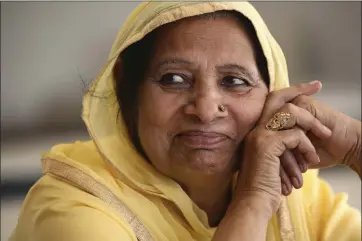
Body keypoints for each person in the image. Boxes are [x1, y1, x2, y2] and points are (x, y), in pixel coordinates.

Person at [10, 2, 361, 241]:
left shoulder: (298, 198)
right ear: (128, 93)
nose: (206, 110)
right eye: (173, 80)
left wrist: (356, 146)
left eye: (234, 81)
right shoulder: (71, 208)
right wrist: (254, 200)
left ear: (272, 97)